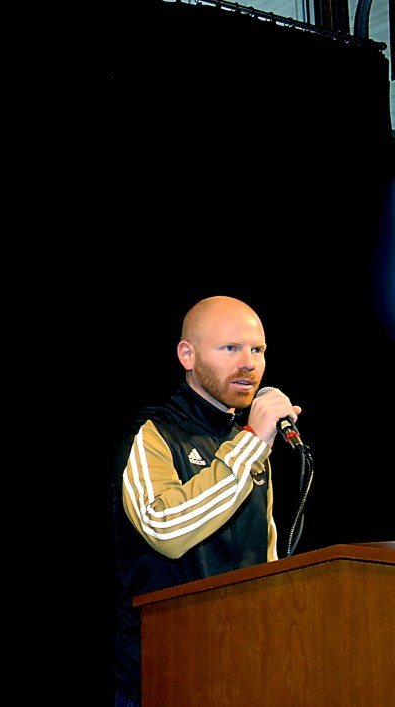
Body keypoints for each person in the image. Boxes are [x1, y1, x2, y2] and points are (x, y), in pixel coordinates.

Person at [110, 295, 302, 707]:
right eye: (230, 348)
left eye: (258, 350)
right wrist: (252, 443)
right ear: (187, 355)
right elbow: (165, 529)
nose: (248, 363)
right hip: (161, 674)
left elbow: (265, 557)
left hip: (241, 671)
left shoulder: (249, 444)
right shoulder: (151, 433)